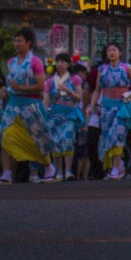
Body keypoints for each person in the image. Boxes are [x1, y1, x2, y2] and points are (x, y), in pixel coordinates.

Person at [0, 28, 54, 184]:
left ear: (28, 43)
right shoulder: (11, 63)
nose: (16, 44)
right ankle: (6, 173)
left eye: (19, 41)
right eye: (15, 41)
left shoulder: (35, 62)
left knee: (37, 138)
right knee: (5, 137)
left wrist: (19, 88)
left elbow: (41, 86)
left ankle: (47, 168)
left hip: (30, 105)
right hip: (13, 105)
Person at [94, 44, 131, 179]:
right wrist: (92, 106)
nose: (111, 53)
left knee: (117, 136)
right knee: (107, 136)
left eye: (114, 50)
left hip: (121, 107)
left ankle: (116, 167)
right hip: (106, 107)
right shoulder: (102, 69)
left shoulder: (127, 68)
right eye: (109, 51)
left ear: (120, 52)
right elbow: (97, 90)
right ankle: (116, 165)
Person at [46, 54, 84, 182]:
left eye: (63, 62)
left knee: (68, 139)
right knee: (55, 142)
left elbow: (79, 98)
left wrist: (69, 92)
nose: (60, 64)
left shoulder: (75, 79)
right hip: (55, 114)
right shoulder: (50, 80)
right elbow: (46, 100)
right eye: (58, 62)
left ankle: (68, 170)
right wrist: (43, 113)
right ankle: (58, 171)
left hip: (70, 114)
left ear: (68, 64)